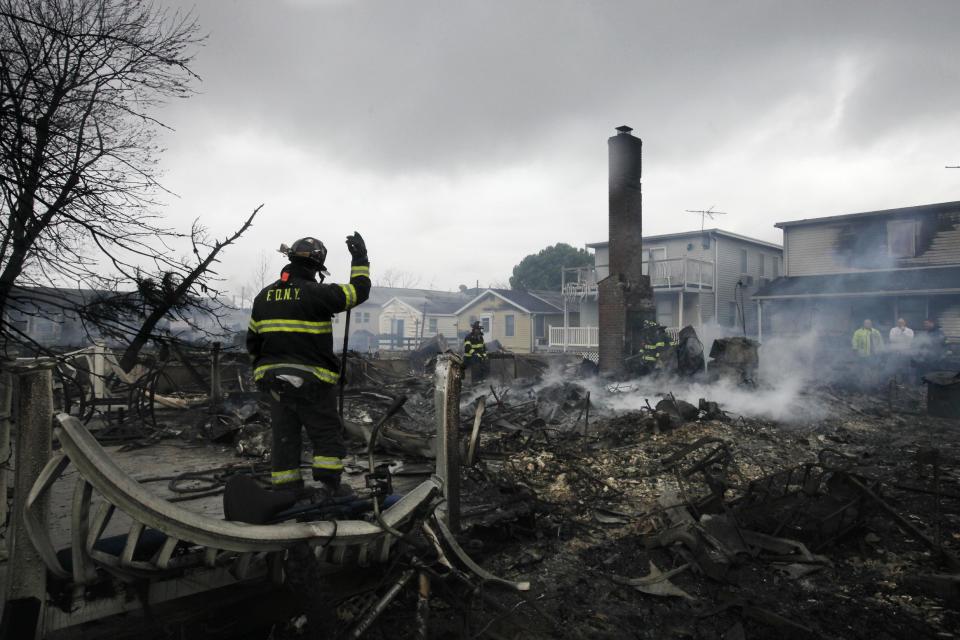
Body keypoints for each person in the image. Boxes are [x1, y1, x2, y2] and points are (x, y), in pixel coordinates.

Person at [246, 233, 370, 494]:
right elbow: (359, 291)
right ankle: (330, 489)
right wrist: (360, 259)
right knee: (325, 433)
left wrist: (264, 374)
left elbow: (252, 343)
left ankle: (286, 491)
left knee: (284, 437)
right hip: (312, 382)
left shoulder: (263, 297)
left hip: (274, 382)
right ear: (316, 267)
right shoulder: (317, 293)